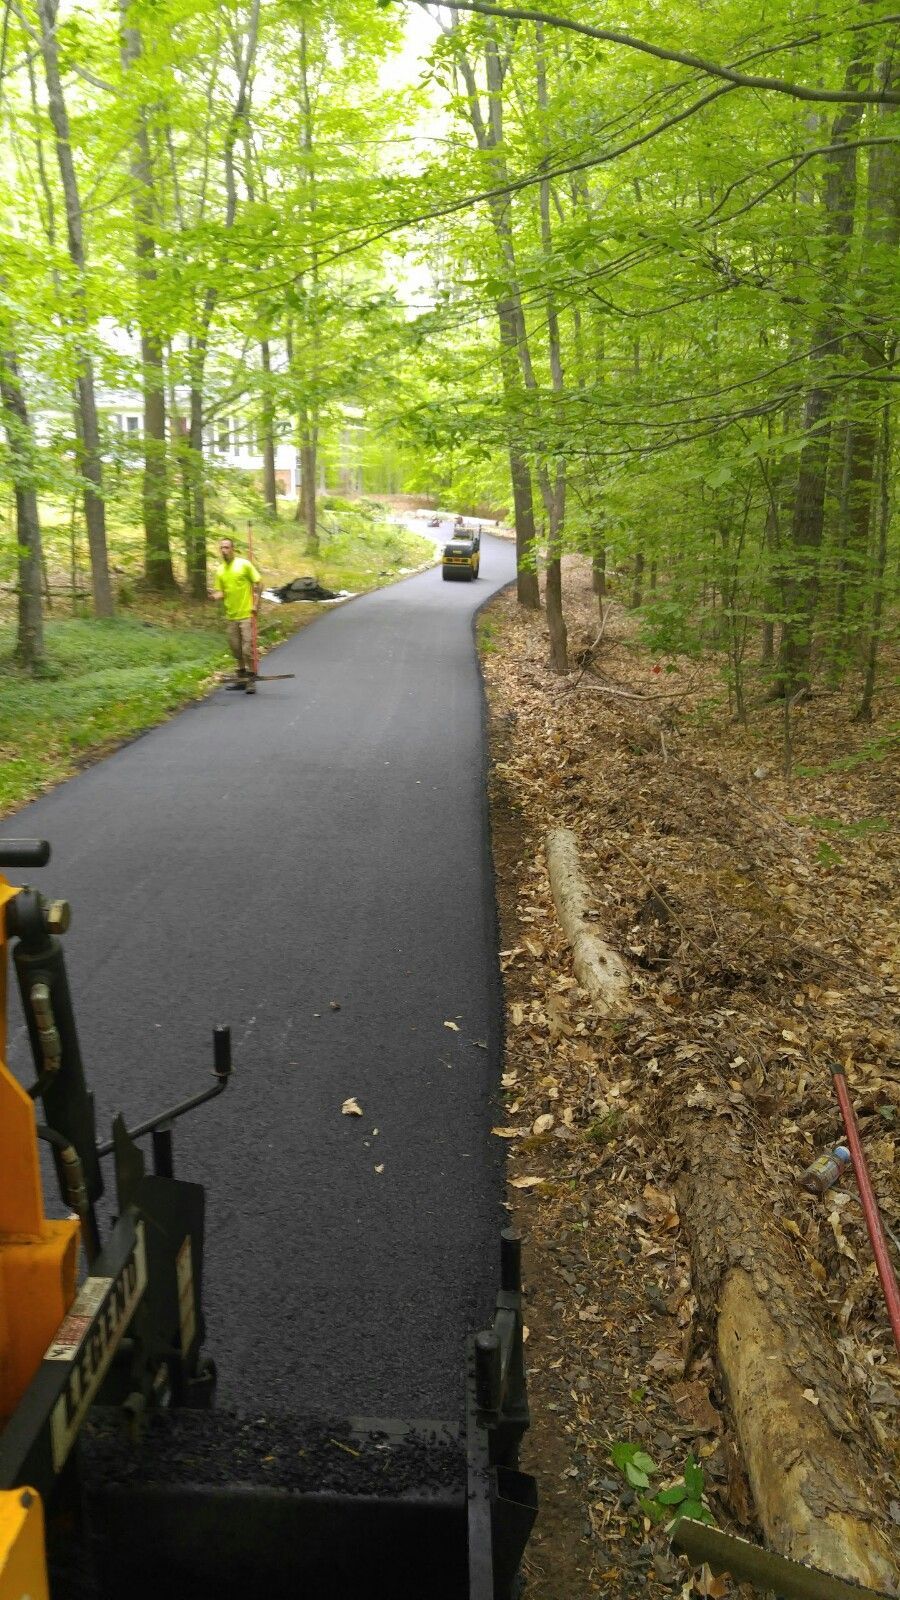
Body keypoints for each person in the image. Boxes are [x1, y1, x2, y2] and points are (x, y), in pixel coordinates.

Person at [212, 537, 261, 694]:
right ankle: (241, 678)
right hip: (231, 616)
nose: (224, 550)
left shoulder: (244, 564)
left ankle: (251, 680)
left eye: (227, 547)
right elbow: (222, 592)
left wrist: (255, 604)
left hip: (247, 614)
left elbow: (259, 583)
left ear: (233, 549)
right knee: (236, 649)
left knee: (247, 649)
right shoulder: (220, 570)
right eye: (222, 548)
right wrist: (214, 596)